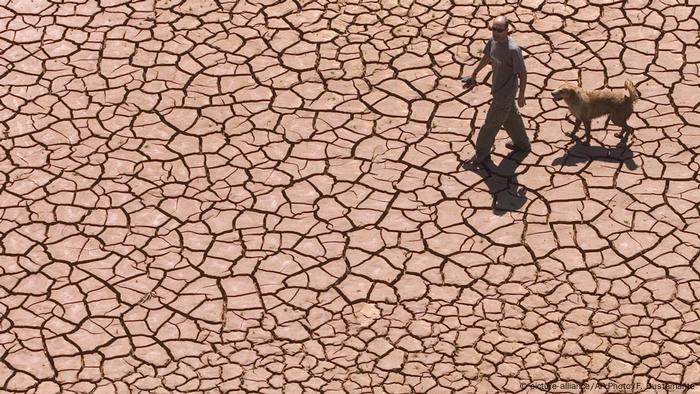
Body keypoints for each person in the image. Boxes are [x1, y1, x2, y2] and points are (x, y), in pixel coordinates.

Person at [464, 16, 530, 167]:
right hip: (498, 90)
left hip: (505, 94)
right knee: (510, 116)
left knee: (490, 125)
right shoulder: (492, 41)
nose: (495, 32)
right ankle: (523, 145)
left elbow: (523, 73)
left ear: (507, 30)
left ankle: (480, 155)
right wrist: (475, 73)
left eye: (499, 30)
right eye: (493, 29)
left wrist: (521, 95)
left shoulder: (513, 50)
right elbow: (487, 56)